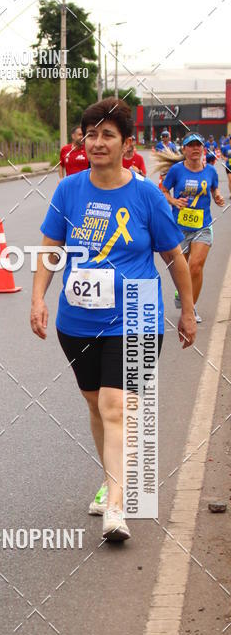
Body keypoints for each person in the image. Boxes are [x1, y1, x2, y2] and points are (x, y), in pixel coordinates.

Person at [30, 99, 196, 542]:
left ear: (128, 143)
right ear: (82, 140)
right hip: (78, 319)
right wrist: (37, 297)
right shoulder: (69, 190)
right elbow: (50, 248)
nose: (97, 142)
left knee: (114, 405)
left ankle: (117, 508)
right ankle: (113, 480)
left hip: (137, 313)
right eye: (91, 133)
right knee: (95, 404)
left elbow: (175, 260)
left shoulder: (145, 195)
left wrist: (188, 311)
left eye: (108, 134)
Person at [158, 133, 224, 323]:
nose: (195, 149)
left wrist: (217, 196)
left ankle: (190, 308)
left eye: (198, 145)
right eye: (191, 145)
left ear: (203, 149)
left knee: (195, 266)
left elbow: (214, 189)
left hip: (203, 226)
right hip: (179, 227)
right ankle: (183, 292)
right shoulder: (176, 171)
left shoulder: (210, 171)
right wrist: (173, 200)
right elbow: (163, 190)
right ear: (184, 149)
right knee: (182, 269)